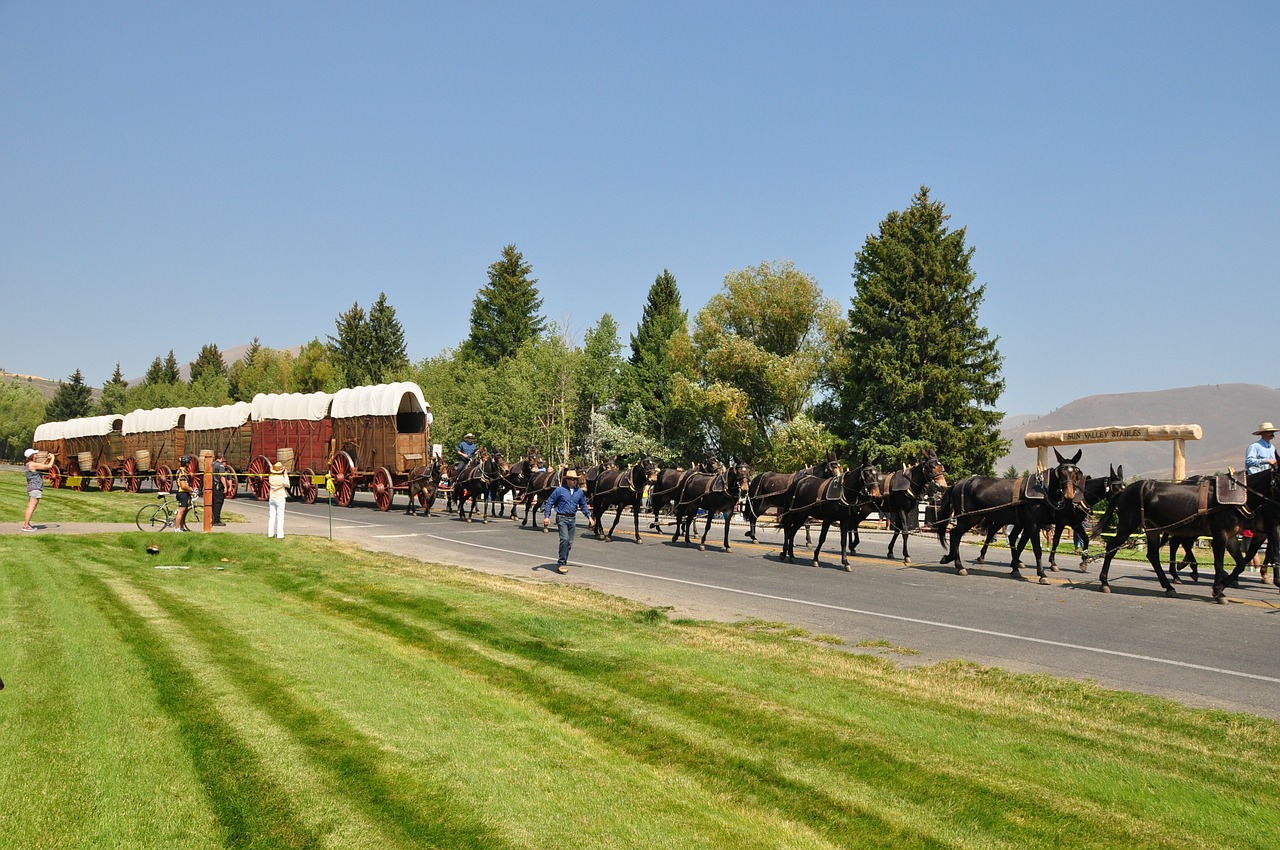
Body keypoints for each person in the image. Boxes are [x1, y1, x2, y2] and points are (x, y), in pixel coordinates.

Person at [543, 468, 592, 574]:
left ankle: (563, 559)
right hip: (562, 518)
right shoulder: (559, 490)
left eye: (575, 479)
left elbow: (583, 505)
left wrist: (589, 517)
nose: (574, 481)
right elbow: (550, 502)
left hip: (572, 519)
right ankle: (561, 563)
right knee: (564, 539)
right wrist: (547, 516)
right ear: (567, 480)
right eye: (572, 479)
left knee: (569, 543)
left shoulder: (579, 492)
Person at [22, 448, 56, 531]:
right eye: (35, 454)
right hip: (35, 488)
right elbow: (49, 466)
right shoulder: (32, 465)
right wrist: (53, 458)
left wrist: (47, 459)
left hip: (32, 487)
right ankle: (26, 526)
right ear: (32, 456)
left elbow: (40, 465)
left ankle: (26, 524)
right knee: (31, 506)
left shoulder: (30, 464)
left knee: (31, 506)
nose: (36, 455)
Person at [267, 460, 289, 539]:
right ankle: (280, 535)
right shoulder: (281, 478)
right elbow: (287, 484)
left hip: (272, 497)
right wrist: (285, 475)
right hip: (280, 497)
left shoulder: (271, 477)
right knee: (280, 517)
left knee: (272, 516)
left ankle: (270, 533)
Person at [174, 457, 194, 532]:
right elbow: (184, 485)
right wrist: (191, 490)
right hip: (182, 493)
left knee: (184, 510)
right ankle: (177, 528)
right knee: (181, 511)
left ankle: (181, 527)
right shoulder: (182, 473)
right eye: (188, 463)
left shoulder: (181, 471)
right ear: (186, 464)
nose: (189, 465)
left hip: (183, 493)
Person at [211, 452, 227, 526]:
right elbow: (222, 477)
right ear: (222, 458)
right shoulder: (220, 466)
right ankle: (216, 520)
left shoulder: (212, 464)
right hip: (218, 486)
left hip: (212, 485)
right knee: (218, 503)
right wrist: (225, 487)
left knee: (213, 503)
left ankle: (212, 518)